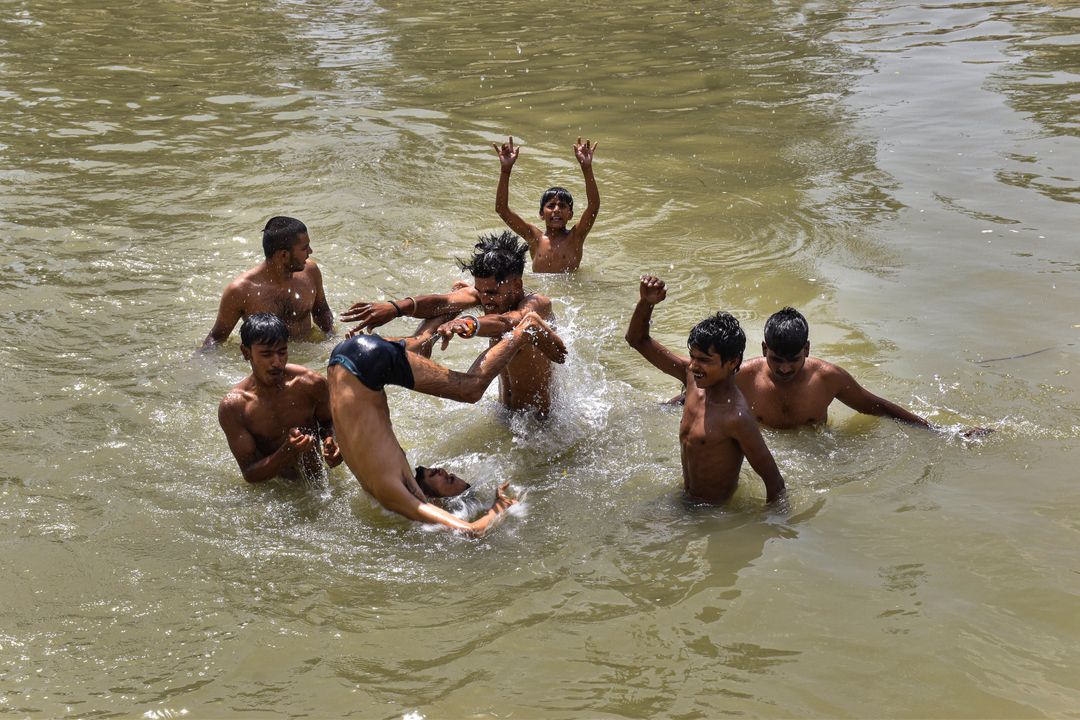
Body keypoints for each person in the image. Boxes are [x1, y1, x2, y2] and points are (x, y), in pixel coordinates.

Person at [328, 312, 556, 535]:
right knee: (421, 349)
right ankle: (449, 310)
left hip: (366, 364)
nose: (444, 471)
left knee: (470, 389)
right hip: (341, 358)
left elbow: (472, 530)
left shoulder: (395, 496)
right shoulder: (375, 485)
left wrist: (499, 506)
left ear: (436, 504)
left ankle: (523, 330)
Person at [340, 231, 567, 415]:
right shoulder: (488, 295)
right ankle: (416, 344)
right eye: (479, 291)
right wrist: (396, 307)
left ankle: (409, 347)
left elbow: (509, 321)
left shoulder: (537, 304)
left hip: (539, 423)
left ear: (517, 285)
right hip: (505, 415)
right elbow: (443, 301)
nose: (485, 300)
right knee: (453, 301)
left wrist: (469, 323)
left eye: (491, 293)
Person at [625, 276, 786, 505]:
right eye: (692, 356)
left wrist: (765, 525)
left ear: (732, 362)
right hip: (684, 499)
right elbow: (637, 340)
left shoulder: (736, 417)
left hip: (714, 514)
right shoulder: (691, 378)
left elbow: (775, 484)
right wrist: (646, 303)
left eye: (704, 360)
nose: (693, 366)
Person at [736, 307, 991, 436]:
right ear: (764, 349)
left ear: (807, 349)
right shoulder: (743, 377)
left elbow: (878, 407)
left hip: (816, 449)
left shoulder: (828, 378)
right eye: (776, 359)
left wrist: (940, 432)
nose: (784, 368)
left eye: (793, 360)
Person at [217, 313, 342, 483]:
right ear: (246, 353)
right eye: (266, 354)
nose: (277, 362)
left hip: (319, 481)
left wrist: (332, 441)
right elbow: (250, 474)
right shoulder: (235, 407)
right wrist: (288, 451)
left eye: (282, 352)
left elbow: (330, 421)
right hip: (276, 491)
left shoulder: (311, 384)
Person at [202, 216, 333, 349]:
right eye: (305, 248)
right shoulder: (241, 291)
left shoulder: (311, 272)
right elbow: (216, 338)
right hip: (268, 359)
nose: (310, 251)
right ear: (284, 255)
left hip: (307, 353)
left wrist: (332, 339)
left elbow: (322, 312)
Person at [493, 136, 600, 273]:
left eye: (562, 206)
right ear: (541, 214)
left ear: (570, 214)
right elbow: (501, 209)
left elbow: (593, 206)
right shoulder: (534, 237)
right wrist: (505, 170)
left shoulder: (575, 237)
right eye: (551, 206)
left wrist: (587, 168)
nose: (556, 210)